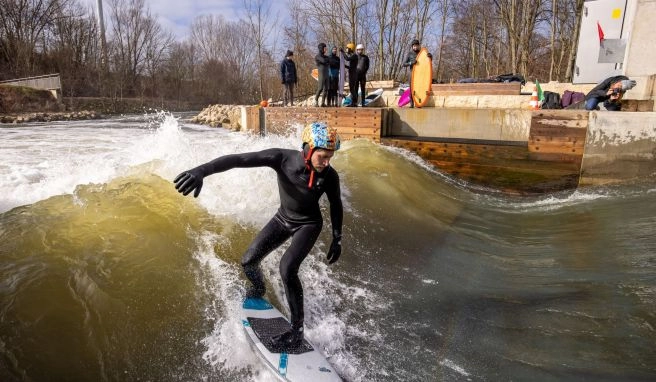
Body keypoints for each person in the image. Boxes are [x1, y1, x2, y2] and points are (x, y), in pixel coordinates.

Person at [173, 122, 344, 351]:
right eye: (323, 157)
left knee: (287, 268)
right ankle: (258, 289)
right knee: (249, 261)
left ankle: (297, 332)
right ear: (308, 149)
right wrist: (201, 171)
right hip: (283, 219)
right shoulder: (281, 158)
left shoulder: (330, 176)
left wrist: (337, 237)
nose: (326, 162)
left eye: (329, 158)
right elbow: (237, 160)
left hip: (308, 225)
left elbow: (336, 205)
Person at [402, 39, 432, 108]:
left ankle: (419, 103)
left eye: (416, 46)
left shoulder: (422, 53)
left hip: (421, 75)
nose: (415, 47)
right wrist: (410, 63)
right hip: (412, 74)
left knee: (420, 88)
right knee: (412, 88)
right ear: (412, 47)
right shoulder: (410, 54)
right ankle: (412, 104)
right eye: (414, 46)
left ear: (419, 46)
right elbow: (404, 64)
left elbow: (428, 62)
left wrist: (430, 57)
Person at [342, 43, 358, 107]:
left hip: (353, 74)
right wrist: (345, 66)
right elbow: (351, 67)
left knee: (352, 89)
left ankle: (354, 103)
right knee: (352, 89)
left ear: (350, 49)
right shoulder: (353, 56)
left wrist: (343, 52)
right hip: (352, 73)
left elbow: (347, 59)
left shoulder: (354, 55)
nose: (346, 50)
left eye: (347, 48)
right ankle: (354, 103)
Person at [314, 43, 329, 107]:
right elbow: (323, 61)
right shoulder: (317, 56)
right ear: (321, 48)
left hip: (326, 73)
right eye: (324, 48)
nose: (326, 49)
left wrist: (327, 60)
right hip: (321, 74)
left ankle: (323, 102)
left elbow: (328, 60)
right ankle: (316, 101)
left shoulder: (326, 56)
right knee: (320, 88)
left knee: (326, 89)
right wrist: (327, 60)